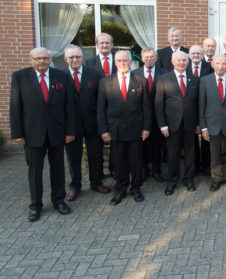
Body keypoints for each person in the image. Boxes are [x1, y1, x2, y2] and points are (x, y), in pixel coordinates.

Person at [10, 47, 77, 222]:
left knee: (58, 169)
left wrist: (70, 131)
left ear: (50, 59)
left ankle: (58, 200)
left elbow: (69, 106)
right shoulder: (20, 77)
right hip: (32, 133)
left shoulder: (61, 76)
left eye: (45, 58)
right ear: (31, 60)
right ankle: (35, 205)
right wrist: (17, 133)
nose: (42, 62)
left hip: (57, 132)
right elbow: (15, 107)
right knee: (35, 171)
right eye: (38, 59)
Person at [97, 50, 151, 205]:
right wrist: (103, 130)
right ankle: (120, 189)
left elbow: (146, 108)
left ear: (130, 62)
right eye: (119, 61)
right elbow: (101, 108)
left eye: (125, 61)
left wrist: (146, 128)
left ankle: (136, 188)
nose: (123, 63)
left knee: (136, 161)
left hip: (136, 129)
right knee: (119, 162)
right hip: (115, 130)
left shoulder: (141, 81)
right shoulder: (105, 82)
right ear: (115, 63)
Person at [62, 45, 109, 202]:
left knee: (95, 154)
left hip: (92, 122)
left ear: (82, 58)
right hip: (71, 125)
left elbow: (101, 101)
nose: (75, 60)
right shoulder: (60, 76)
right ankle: (75, 186)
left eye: (77, 57)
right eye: (71, 57)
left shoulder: (94, 74)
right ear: (65, 59)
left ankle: (96, 182)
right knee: (73, 156)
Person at [155, 51, 200, 195]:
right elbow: (158, 105)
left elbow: (198, 103)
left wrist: (198, 123)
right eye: (179, 60)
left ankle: (189, 179)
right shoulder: (163, 79)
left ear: (188, 62)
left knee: (190, 153)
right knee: (172, 154)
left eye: (184, 60)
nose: (182, 63)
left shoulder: (195, 79)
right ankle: (172, 181)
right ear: (173, 62)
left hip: (190, 123)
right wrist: (162, 125)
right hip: (171, 124)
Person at [199, 55, 226, 191]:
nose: (220, 66)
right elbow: (201, 106)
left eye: (223, 63)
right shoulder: (205, 81)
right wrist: (204, 127)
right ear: (212, 65)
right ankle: (216, 178)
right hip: (212, 125)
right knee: (214, 154)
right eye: (218, 63)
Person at [132, 47, 166, 182]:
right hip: (140, 116)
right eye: (146, 57)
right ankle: (144, 169)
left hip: (158, 115)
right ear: (142, 58)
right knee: (142, 144)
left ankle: (156, 170)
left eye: (152, 57)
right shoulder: (134, 74)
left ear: (156, 58)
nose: (149, 59)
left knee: (157, 145)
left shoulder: (164, 74)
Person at [187, 44, 212, 176]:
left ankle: (207, 166)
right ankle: (195, 166)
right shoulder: (184, 66)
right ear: (189, 55)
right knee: (192, 141)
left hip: (206, 107)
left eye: (198, 53)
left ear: (203, 56)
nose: (196, 55)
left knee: (207, 139)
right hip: (190, 108)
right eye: (193, 53)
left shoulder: (209, 67)